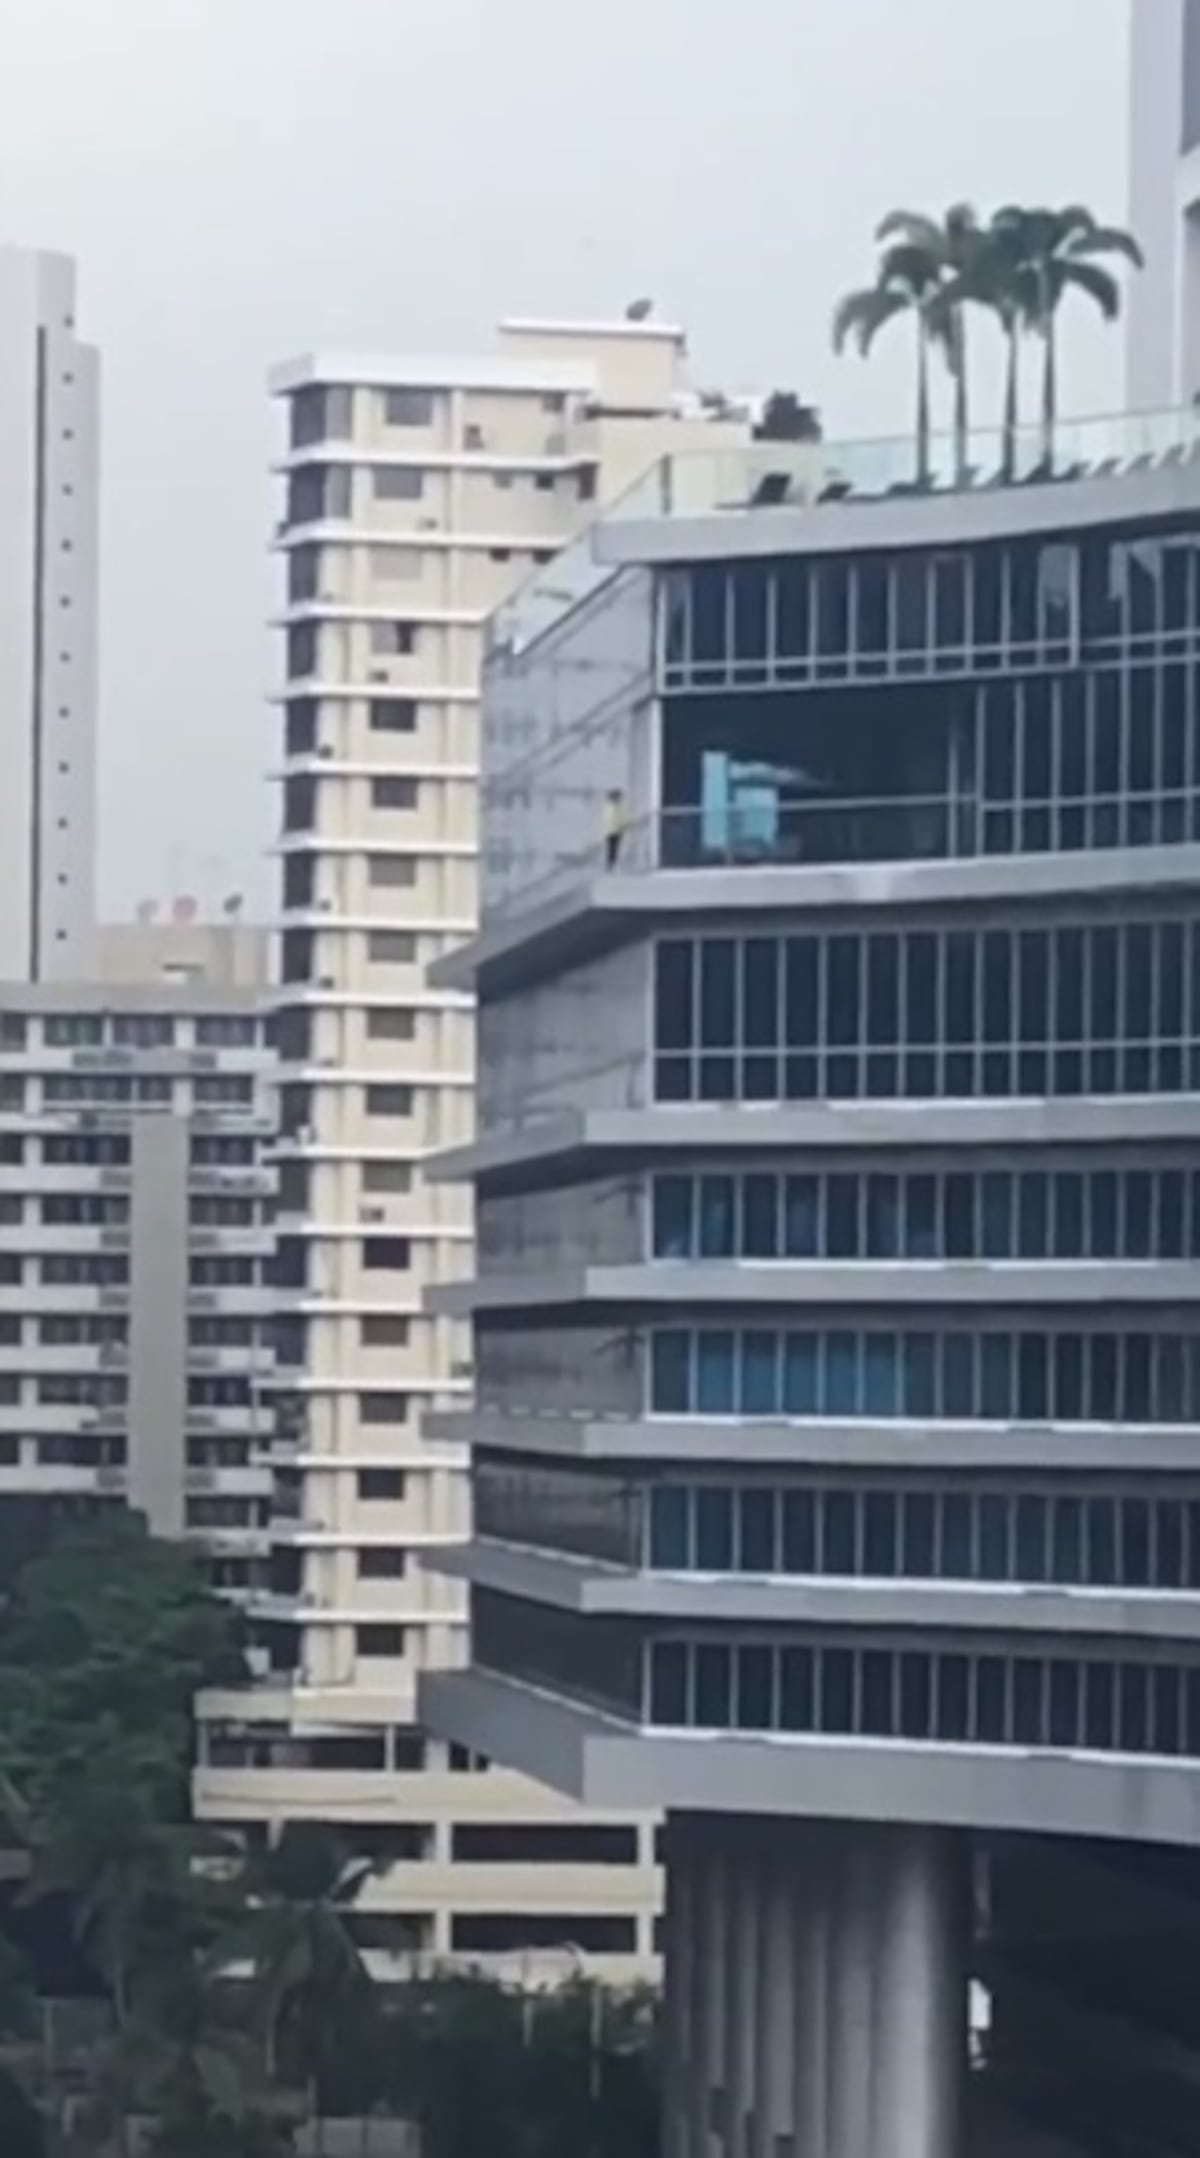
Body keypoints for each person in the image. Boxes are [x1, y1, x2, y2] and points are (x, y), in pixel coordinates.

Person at [603, 787, 627, 868]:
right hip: (613, 830)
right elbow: (615, 819)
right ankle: (611, 865)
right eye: (619, 796)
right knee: (613, 849)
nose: (620, 798)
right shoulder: (613, 807)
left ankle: (611, 864)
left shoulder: (612, 806)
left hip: (612, 830)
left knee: (613, 849)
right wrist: (622, 826)